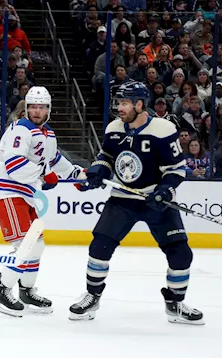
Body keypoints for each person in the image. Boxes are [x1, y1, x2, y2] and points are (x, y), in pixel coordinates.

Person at [70, 81, 203, 325]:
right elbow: (107, 156)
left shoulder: (162, 129)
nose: (119, 107)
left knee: (181, 253)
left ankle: (175, 303)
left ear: (139, 105)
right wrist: (98, 172)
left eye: (124, 103)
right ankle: (92, 296)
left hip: (156, 201)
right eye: (118, 102)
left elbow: (176, 169)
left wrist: (164, 190)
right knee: (99, 247)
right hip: (122, 200)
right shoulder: (114, 128)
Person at [0, 86, 85, 317]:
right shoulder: (20, 130)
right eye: (33, 107)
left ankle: (26, 291)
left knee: (36, 244)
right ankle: (1, 292)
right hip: (5, 190)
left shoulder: (48, 134)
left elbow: (56, 160)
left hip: (24, 194)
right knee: (25, 245)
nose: (37, 111)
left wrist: (78, 175)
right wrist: (43, 174)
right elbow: (14, 165)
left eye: (41, 107)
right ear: (26, 109)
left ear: (48, 110)